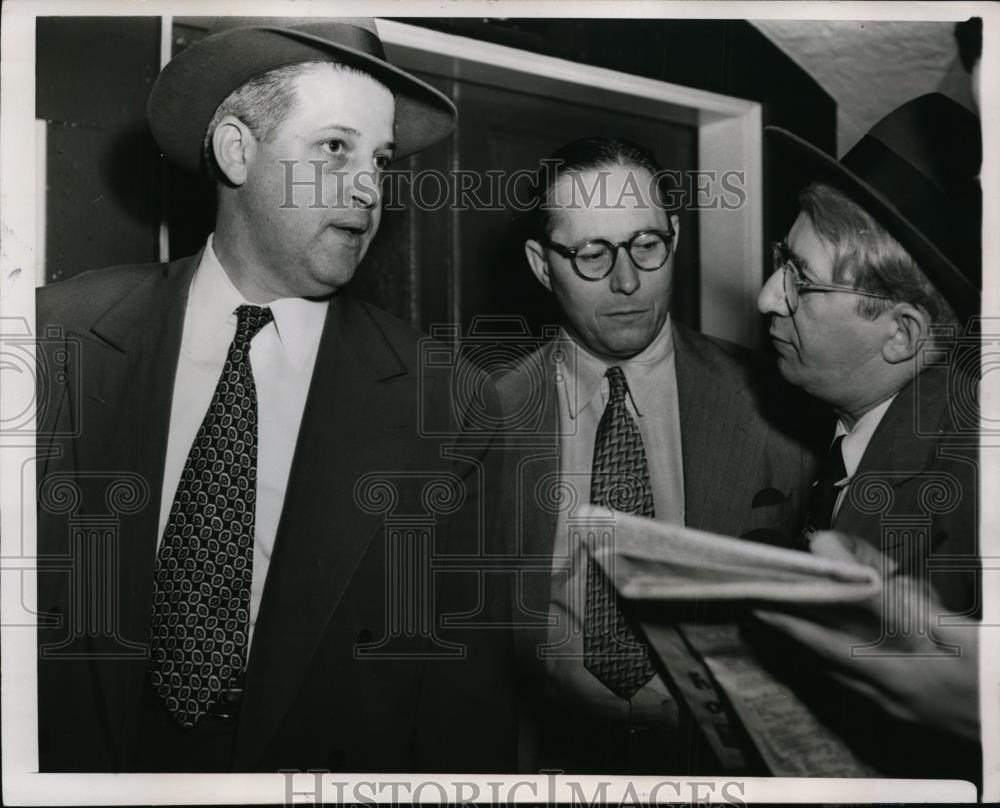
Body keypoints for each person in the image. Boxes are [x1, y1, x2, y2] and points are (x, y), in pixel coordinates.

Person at [35, 17, 514, 774]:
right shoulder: (55, 338)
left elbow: (465, 702)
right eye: (335, 148)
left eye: (380, 159)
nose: (369, 186)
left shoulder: (449, 403)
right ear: (237, 150)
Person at [495, 137, 820, 774]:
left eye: (647, 245)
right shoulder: (480, 421)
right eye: (591, 253)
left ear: (674, 234)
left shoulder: (780, 410)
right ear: (541, 265)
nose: (626, 281)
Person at [754, 92, 982, 780]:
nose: (767, 297)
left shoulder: (966, 491)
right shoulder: (870, 437)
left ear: (903, 334)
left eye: (801, 281)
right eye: (780, 261)